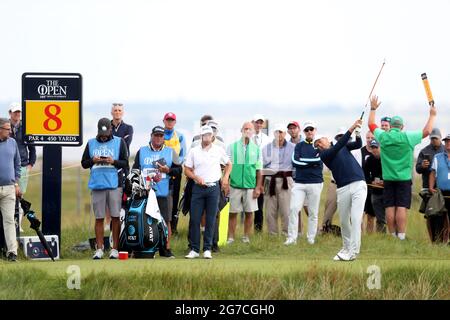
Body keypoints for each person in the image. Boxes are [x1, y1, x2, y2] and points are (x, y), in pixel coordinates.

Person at [368, 95, 436, 240]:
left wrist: (373, 109)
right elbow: (427, 131)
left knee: (390, 207)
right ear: (402, 127)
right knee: (401, 207)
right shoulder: (407, 137)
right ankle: (401, 236)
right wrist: (432, 115)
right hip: (404, 179)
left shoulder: (384, 137)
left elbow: (371, 125)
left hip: (388, 178)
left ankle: (392, 235)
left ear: (390, 126)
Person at [314, 119, 366, 261]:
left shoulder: (342, 146)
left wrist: (358, 131)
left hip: (359, 184)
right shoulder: (325, 155)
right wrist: (351, 128)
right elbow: (339, 145)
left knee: (355, 219)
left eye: (320, 140)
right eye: (316, 144)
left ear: (327, 139)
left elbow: (358, 144)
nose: (318, 143)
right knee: (344, 221)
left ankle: (353, 252)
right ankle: (346, 248)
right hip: (342, 188)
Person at [81, 118, 129, 259]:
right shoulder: (91, 143)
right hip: (97, 184)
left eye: (106, 133)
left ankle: (115, 249)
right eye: (101, 133)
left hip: (114, 184)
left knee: (115, 217)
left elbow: (125, 162)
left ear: (110, 130)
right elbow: (84, 163)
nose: (104, 136)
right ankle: (99, 249)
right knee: (99, 217)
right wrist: (93, 160)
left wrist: (113, 161)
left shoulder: (119, 142)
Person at [133, 126, 182, 257]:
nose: (158, 138)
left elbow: (179, 171)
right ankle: (147, 247)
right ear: (151, 136)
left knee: (166, 220)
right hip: (145, 192)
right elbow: (135, 170)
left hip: (163, 191)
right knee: (146, 220)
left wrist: (168, 170)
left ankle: (165, 248)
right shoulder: (142, 151)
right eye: (156, 135)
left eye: (161, 136)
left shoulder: (171, 152)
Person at [184, 125, 232, 259]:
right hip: (198, 188)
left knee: (211, 219)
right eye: (204, 135)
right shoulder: (194, 151)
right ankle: (194, 249)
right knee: (194, 219)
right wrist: (195, 177)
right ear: (201, 136)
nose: (207, 138)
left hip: (213, 188)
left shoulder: (218, 150)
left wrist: (225, 178)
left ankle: (207, 249)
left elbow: (229, 164)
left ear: (212, 137)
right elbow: (187, 169)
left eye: (209, 135)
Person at [285, 120, 323, 245]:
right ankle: (292, 238)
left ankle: (310, 238)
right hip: (299, 183)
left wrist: (305, 161)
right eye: (307, 130)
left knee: (313, 212)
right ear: (304, 132)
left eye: (311, 129)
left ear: (315, 130)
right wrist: (311, 162)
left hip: (315, 182)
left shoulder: (320, 145)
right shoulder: (299, 146)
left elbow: (319, 160)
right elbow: (295, 162)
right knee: (293, 209)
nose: (309, 132)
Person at [227, 122, 262, 244]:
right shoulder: (232, 147)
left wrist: (258, 187)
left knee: (249, 212)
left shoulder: (256, 149)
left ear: (253, 132)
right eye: (245, 129)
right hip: (235, 185)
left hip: (250, 186)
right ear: (241, 130)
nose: (247, 131)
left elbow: (259, 169)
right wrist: (225, 182)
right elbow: (227, 166)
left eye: (250, 129)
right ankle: (231, 237)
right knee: (233, 212)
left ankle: (246, 237)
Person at [262, 124, 295, 236]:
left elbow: (295, 166)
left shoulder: (292, 147)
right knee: (270, 211)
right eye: (277, 132)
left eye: (281, 132)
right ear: (273, 133)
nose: (279, 134)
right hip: (269, 180)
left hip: (286, 179)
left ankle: (287, 234)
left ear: (285, 133)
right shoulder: (266, 148)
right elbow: (262, 167)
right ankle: (272, 235)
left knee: (286, 210)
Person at [8, 103, 36, 232]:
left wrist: (31, 164)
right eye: (15, 112)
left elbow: (32, 148)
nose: (17, 114)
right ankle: (9, 221)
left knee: (20, 195)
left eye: (19, 112)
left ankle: (18, 224)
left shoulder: (26, 128)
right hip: (8, 166)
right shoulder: (5, 127)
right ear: (10, 113)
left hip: (23, 166)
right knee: (9, 194)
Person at [416, 128, 445, 242]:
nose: (433, 140)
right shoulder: (424, 151)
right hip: (428, 188)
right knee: (430, 215)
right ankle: (432, 240)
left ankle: (444, 240)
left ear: (440, 138)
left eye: (435, 138)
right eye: (432, 138)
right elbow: (417, 169)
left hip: (443, 188)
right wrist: (422, 165)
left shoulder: (445, 150)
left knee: (444, 216)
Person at [0, 118, 21, 262]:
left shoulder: (13, 143)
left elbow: (17, 164)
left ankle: (12, 252)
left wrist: (16, 182)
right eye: (8, 129)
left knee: (9, 221)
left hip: (9, 188)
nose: (10, 131)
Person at [162, 112, 187, 235]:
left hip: (175, 170)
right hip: (161, 171)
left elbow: (183, 154)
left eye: (172, 120)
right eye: (168, 120)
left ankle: (174, 228)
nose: (170, 122)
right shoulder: (159, 134)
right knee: (161, 199)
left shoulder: (180, 136)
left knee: (174, 199)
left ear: (175, 122)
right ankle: (161, 227)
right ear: (164, 121)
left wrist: (174, 165)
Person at [428, 133, 450, 244]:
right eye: (446, 141)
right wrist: (431, 187)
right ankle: (438, 241)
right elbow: (433, 172)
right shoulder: (438, 157)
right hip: (441, 193)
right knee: (438, 218)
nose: (448, 143)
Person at [252, 114, 271, 232]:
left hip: (262, 174)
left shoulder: (267, 139)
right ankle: (246, 232)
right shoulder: (246, 137)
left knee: (260, 203)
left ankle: (258, 231)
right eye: (256, 122)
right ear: (252, 122)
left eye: (260, 123)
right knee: (247, 204)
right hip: (249, 173)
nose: (258, 125)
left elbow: (269, 158)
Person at [363, 139, 386, 233]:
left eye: (376, 147)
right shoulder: (369, 159)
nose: (374, 150)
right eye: (372, 148)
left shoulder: (386, 158)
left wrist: (384, 181)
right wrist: (371, 182)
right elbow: (365, 174)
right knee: (376, 215)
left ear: (380, 148)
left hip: (387, 190)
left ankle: (392, 235)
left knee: (388, 215)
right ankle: (380, 236)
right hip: (375, 191)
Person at [361, 131, 375, 232]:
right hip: (362, 185)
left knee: (371, 214)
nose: (369, 140)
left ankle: (370, 236)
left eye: (371, 138)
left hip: (374, 188)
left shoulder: (377, 151)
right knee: (360, 212)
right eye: (368, 138)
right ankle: (359, 234)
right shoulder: (360, 151)